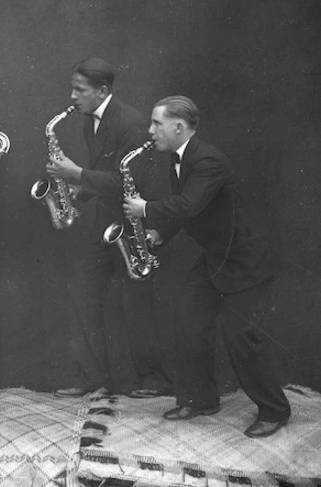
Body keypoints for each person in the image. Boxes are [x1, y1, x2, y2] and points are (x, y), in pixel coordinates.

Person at [123, 95, 291, 438]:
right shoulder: (178, 159)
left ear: (178, 127)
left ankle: (275, 411)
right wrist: (158, 234)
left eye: (156, 123)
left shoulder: (208, 160)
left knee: (241, 335)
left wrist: (145, 210)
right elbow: (190, 212)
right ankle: (200, 399)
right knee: (187, 318)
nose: (149, 130)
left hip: (246, 258)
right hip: (217, 254)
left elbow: (188, 203)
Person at [46, 58, 172, 399]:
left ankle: (155, 379)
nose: (72, 96)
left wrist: (77, 174)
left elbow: (131, 180)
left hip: (131, 226)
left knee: (136, 302)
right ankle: (91, 377)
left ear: (103, 91)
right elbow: (105, 172)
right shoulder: (92, 121)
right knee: (83, 293)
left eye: (79, 90)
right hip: (105, 222)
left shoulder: (130, 123)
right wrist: (80, 191)